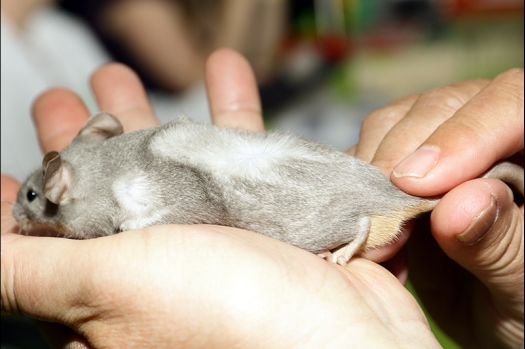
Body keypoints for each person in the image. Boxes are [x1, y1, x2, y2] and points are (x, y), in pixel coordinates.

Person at [1, 49, 523, 348]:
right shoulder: (105, 154)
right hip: (291, 188)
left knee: (279, 204)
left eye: (31, 199)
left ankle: (358, 225)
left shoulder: (94, 195)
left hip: (315, 205)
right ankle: (359, 224)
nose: (24, 212)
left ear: (58, 186)